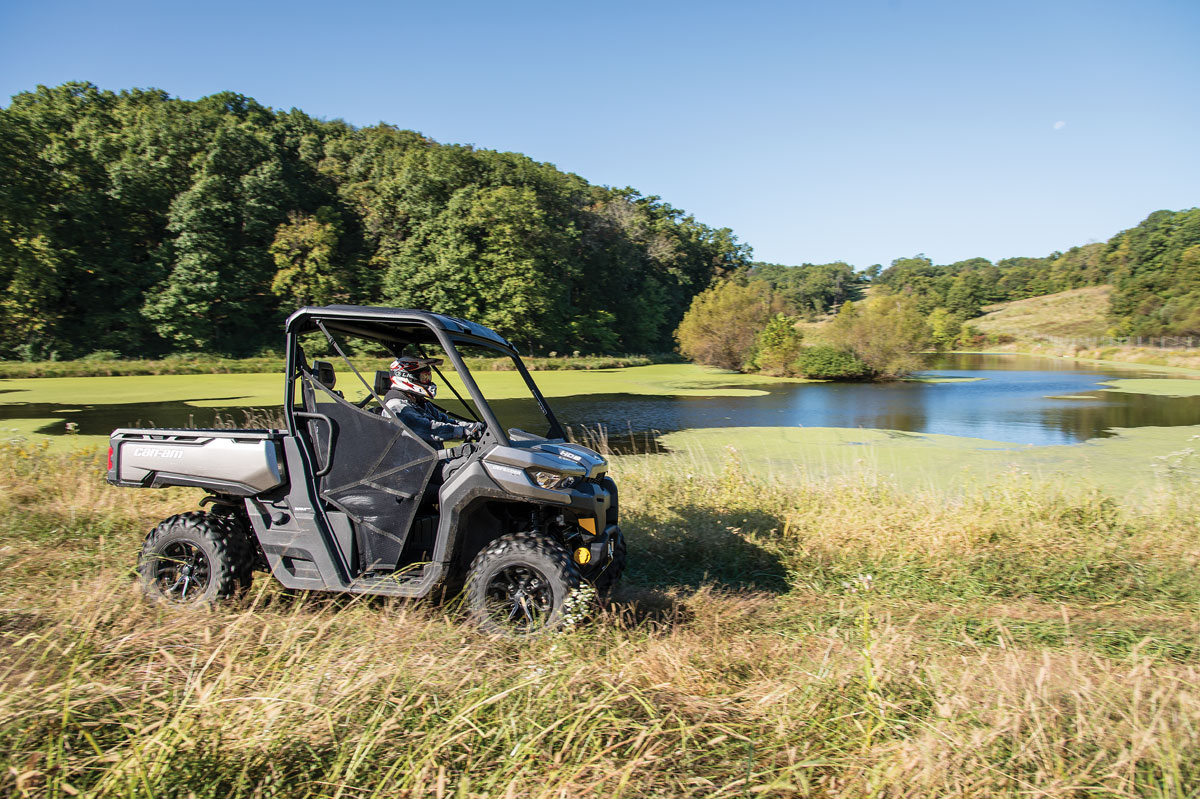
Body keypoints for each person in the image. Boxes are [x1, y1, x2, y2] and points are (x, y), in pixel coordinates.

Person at [382, 357, 484, 448]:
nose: (428, 381)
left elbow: (444, 421)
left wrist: (471, 427)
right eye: (424, 378)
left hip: (429, 461)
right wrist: (463, 431)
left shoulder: (419, 402)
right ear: (405, 377)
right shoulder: (396, 406)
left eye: (428, 377)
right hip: (410, 465)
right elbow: (427, 429)